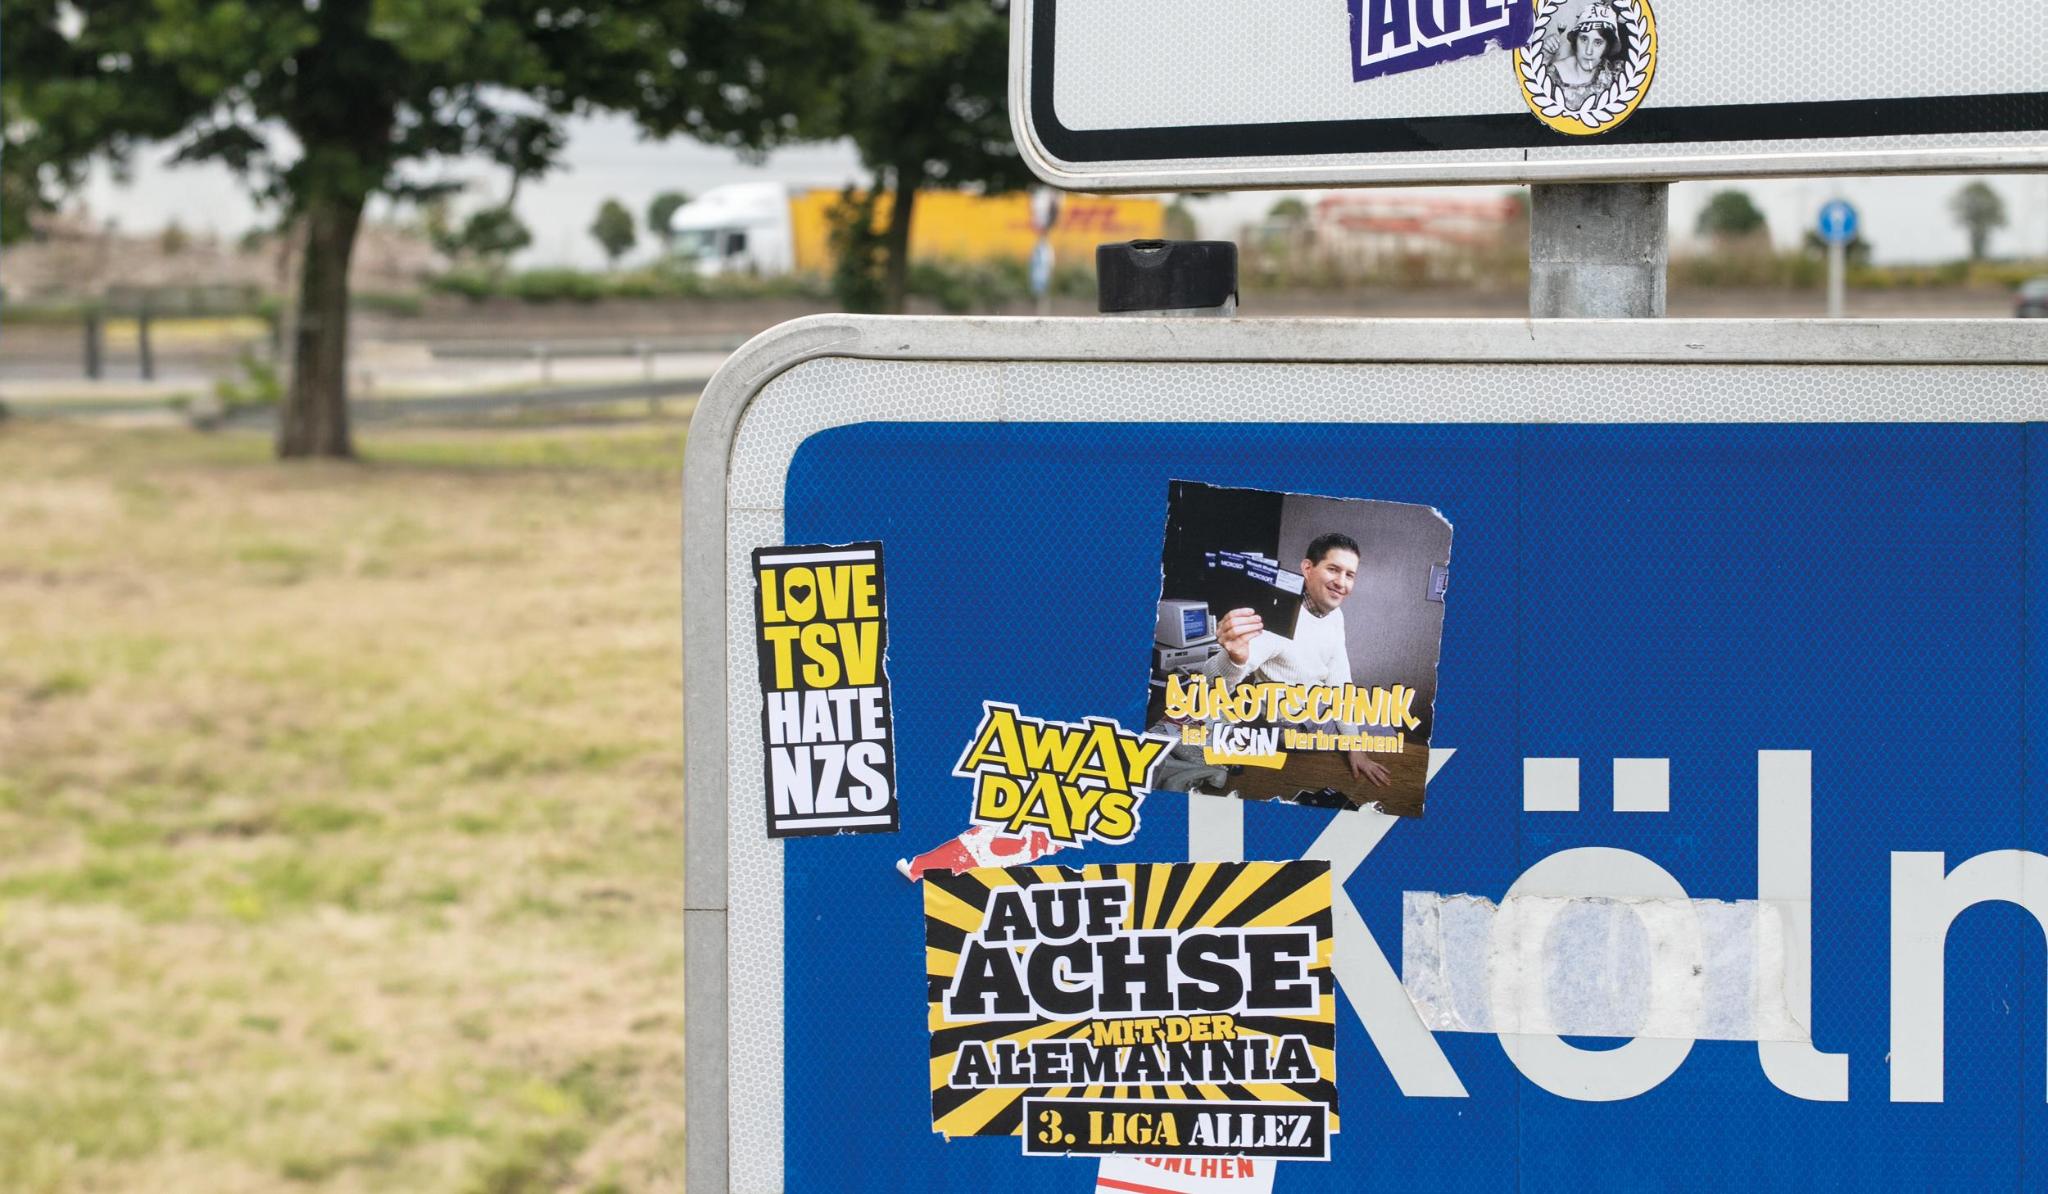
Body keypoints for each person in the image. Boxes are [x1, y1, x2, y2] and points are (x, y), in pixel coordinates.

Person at [1204, 532, 1391, 787]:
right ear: (1307, 568)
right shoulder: (1277, 619)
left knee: (1381, 727)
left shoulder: (1335, 616)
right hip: (1292, 726)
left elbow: (1340, 680)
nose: (1341, 582)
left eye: (1349, 575)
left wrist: (1354, 747)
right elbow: (1210, 679)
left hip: (1317, 708)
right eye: (1333, 569)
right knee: (1385, 735)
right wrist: (1235, 658)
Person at [1549, 1, 1624, 110]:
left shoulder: (1616, 75)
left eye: (1598, 42)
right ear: (1575, 40)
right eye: (1584, 39)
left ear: (1608, 46)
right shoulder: (1551, 74)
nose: (1588, 51)